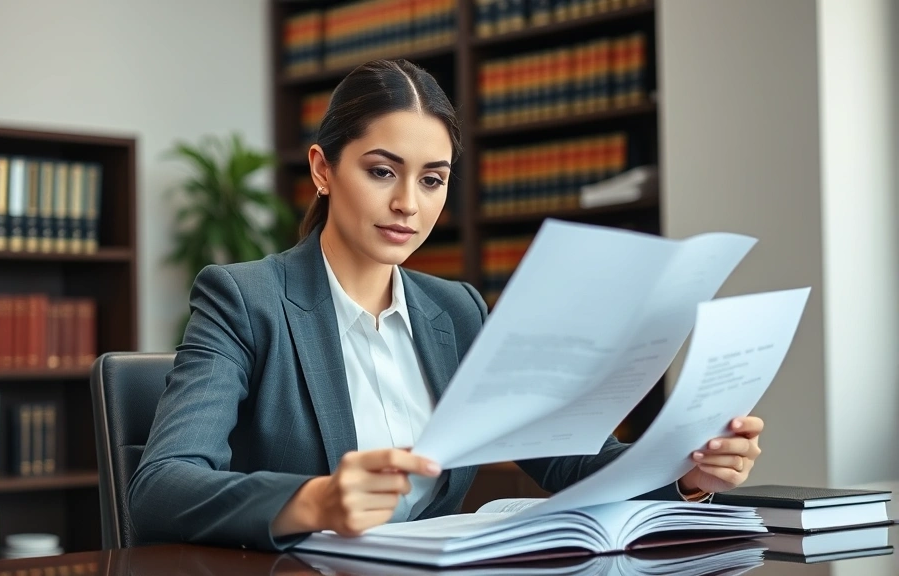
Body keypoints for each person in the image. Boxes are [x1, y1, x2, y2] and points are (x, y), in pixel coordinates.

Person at [127, 59, 764, 551]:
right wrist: (315, 502)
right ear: (323, 169)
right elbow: (159, 488)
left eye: (432, 179)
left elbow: (566, 457)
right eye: (382, 171)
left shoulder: (455, 310)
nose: (409, 203)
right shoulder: (246, 299)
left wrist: (685, 471)